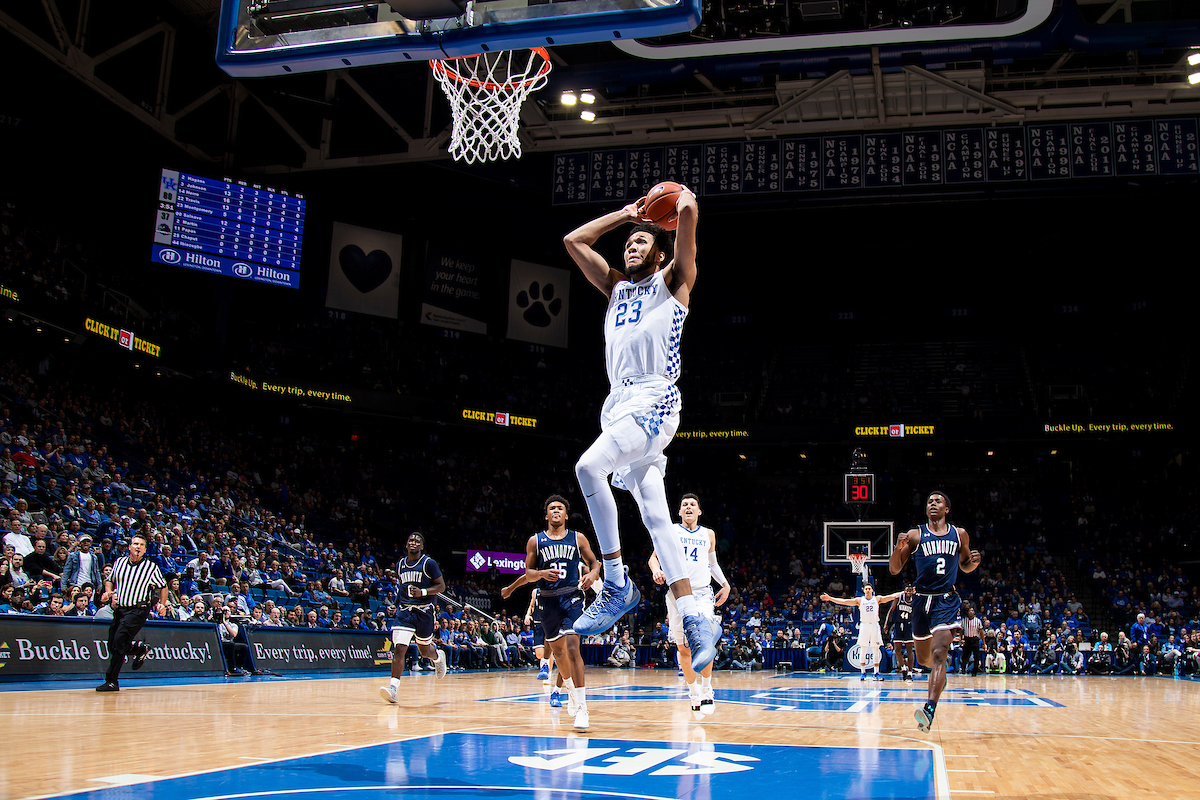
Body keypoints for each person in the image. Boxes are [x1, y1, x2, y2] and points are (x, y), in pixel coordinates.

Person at [562, 186, 716, 672]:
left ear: (661, 252)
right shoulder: (614, 287)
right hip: (618, 403)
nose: (631, 245)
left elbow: (689, 215)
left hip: (655, 398)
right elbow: (574, 240)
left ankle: (615, 582)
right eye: (627, 242)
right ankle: (694, 616)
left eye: (641, 241)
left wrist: (681, 201)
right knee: (656, 515)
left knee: (589, 468)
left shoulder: (673, 282)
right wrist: (626, 214)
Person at [888, 490, 981, 732]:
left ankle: (929, 708)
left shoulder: (959, 534)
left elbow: (965, 565)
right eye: (929, 501)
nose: (933, 503)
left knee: (940, 653)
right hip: (921, 602)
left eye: (938, 501)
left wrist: (975, 562)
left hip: (946, 601)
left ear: (947, 509)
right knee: (925, 660)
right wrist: (897, 549)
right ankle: (939, 680)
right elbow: (895, 570)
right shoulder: (915, 535)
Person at [648, 493, 730, 719]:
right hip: (676, 594)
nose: (688, 507)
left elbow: (712, 564)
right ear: (679, 511)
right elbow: (653, 558)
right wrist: (656, 570)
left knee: (703, 641)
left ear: (699, 511)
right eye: (684, 504)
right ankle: (693, 692)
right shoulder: (671, 530)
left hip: (702, 593)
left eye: (693, 504)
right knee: (683, 648)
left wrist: (725, 584)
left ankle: (707, 688)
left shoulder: (708, 534)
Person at [380, 531, 448, 704]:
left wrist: (423, 592)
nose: (413, 542)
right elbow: (402, 588)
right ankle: (393, 689)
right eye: (410, 540)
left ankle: (438, 658)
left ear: (422, 546)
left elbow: (441, 586)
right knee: (399, 648)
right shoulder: (400, 564)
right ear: (406, 544)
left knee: (424, 651)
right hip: (405, 612)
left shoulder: (428, 563)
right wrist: (395, 605)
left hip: (424, 611)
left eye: (417, 541)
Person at [96, 532, 169, 692]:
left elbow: (163, 586)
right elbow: (109, 579)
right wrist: (108, 592)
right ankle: (140, 649)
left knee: (119, 640)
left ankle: (112, 681)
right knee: (113, 645)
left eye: (141, 545)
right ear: (129, 547)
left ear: (144, 550)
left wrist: (162, 604)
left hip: (138, 610)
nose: (138, 547)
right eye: (135, 544)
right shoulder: (119, 562)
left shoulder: (150, 567)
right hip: (121, 609)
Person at [821, 583, 905, 681]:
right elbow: (844, 601)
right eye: (866, 589)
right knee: (863, 649)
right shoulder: (860, 600)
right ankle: (863, 673)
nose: (868, 590)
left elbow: (891, 596)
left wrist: (904, 592)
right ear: (864, 590)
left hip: (874, 625)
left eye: (869, 588)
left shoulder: (877, 599)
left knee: (876, 650)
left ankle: (876, 673)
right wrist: (830, 598)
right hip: (864, 625)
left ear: (872, 590)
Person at [884, 584, 918, 680]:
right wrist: (886, 624)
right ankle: (903, 669)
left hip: (909, 626)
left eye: (910, 590)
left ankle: (910, 672)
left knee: (909, 651)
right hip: (898, 625)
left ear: (912, 592)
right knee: (897, 650)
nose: (908, 592)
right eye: (907, 590)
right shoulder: (898, 598)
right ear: (904, 591)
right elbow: (891, 611)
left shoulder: (915, 600)